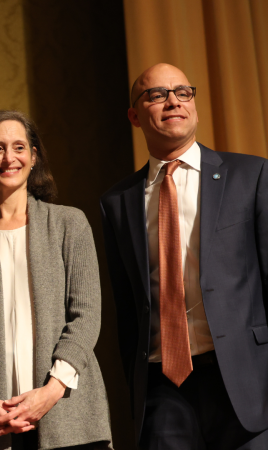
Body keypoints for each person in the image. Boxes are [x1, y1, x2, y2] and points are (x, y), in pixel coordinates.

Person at [100, 63, 268, 449]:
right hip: (163, 390)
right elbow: (127, 307)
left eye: (183, 92)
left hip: (246, 383)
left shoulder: (251, 175)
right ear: (135, 116)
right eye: (156, 94)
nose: (173, 101)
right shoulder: (117, 202)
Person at [0, 110, 113, 450]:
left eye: (19, 147)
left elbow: (86, 315)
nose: (9, 158)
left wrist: (50, 393)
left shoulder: (70, 225)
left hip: (66, 412)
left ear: (34, 157)